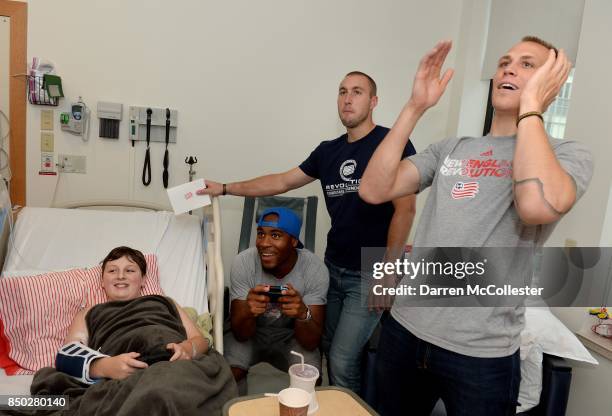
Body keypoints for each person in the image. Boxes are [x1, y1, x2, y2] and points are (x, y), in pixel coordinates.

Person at [359, 37, 593, 415]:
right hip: (404, 330)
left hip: (481, 354)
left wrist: (532, 108)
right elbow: (373, 189)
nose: (508, 68)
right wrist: (415, 107)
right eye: (504, 61)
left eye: (526, 64)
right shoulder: (451, 148)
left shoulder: (568, 155)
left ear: (551, 81)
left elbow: (534, 205)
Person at [198, 71, 417, 394]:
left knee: (342, 360)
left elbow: (406, 209)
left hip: (371, 269)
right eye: (342, 91)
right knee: (326, 351)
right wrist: (227, 188)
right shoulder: (328, 151)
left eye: (357, 92)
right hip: (333, 266)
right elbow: (282, 181)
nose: (347, 98)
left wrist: (388, 270)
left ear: (373, 102)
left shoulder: (391, 144)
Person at [29, 246, 236, 416]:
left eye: (130, 270)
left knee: (162, 389)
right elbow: (67, 354)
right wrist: (105, 366)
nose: (121, 276)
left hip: (174, 363)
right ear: (102, 282)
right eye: (112, 270)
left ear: (144, 280)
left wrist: (187, 349)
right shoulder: (89, 312)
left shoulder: (165, 302)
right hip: (123, 372)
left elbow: (200, 340)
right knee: (154, 392)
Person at [225, 207, 329, 395]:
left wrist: (302, 314)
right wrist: (248, 311)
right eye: (260, 234)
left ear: (293, 241)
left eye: (275, 235)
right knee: (228, 374)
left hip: (291, 336)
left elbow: (311, 342)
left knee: (309, 378)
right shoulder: (243, 263)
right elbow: (240, 334)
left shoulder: (315, 269)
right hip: (253, 334)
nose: (264, 243)